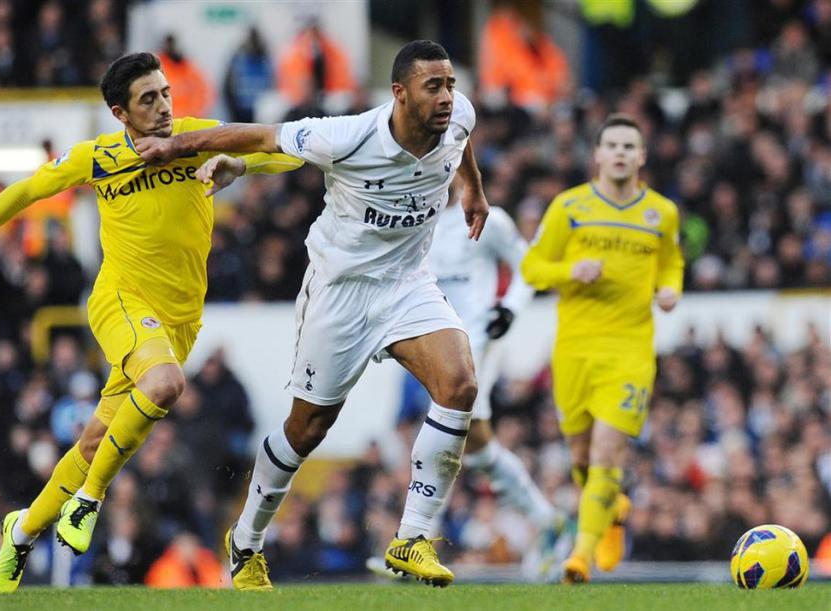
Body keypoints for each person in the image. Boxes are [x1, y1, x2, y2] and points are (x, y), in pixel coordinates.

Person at [0, 52, 302, 594]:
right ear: (121, 113)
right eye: (148, 99)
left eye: (165, 93)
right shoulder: (98, 158)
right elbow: (26, 191)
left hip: (178, 321)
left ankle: (19, 533)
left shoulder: (196, 138)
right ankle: (88, 501)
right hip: (121, 301)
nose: (164, 107)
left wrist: (240, 164)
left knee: (96, 441)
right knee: (165, 384)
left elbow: (284, 153)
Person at [138, 40, 490, 590]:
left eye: (449, 84)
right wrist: (175, 145)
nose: (447, 96)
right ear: (400, 94)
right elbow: (260, 135)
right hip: (340, 293)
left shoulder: (458, 115)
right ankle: (246, 539)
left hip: (407, 284)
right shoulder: (347, 136)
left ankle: (413, 537)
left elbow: (461, 144)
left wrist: (473, 190)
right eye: (433, 87)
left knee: (461, 383)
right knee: (307, 430)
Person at [521, 113, 684, 583]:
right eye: (612, 145)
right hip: (575, 349)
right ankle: (610, 511)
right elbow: (532, 267)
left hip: (630, 349)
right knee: (581, 457)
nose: (620, 153)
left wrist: (670, 290)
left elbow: (671, 263)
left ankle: (581, 554)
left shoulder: (661, 213)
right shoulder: (569, 207)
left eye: (629, 146)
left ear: (642, 156)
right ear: (597, 155)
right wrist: (570, 272)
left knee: (607, 450)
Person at [427, 177, 568, 573]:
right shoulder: (420, 219)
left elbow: (528, 267)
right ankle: (548, 520)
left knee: (440, 431)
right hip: (436, 345)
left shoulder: (487, 218)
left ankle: (417, 540)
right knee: (478, 448)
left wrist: (508, 310)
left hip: (478, 341)